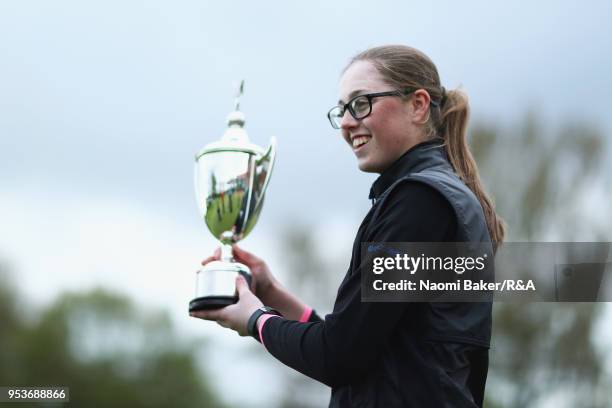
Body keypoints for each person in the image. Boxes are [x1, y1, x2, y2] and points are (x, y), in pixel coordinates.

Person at [190, 45, 506, 407]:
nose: (345, 123)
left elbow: (339, 355)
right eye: (342, 110)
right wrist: (272, 292)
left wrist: (254, 319)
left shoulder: (420, 201)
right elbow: (358, 339)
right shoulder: (425, 196)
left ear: (418, 105)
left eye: (361, 103)